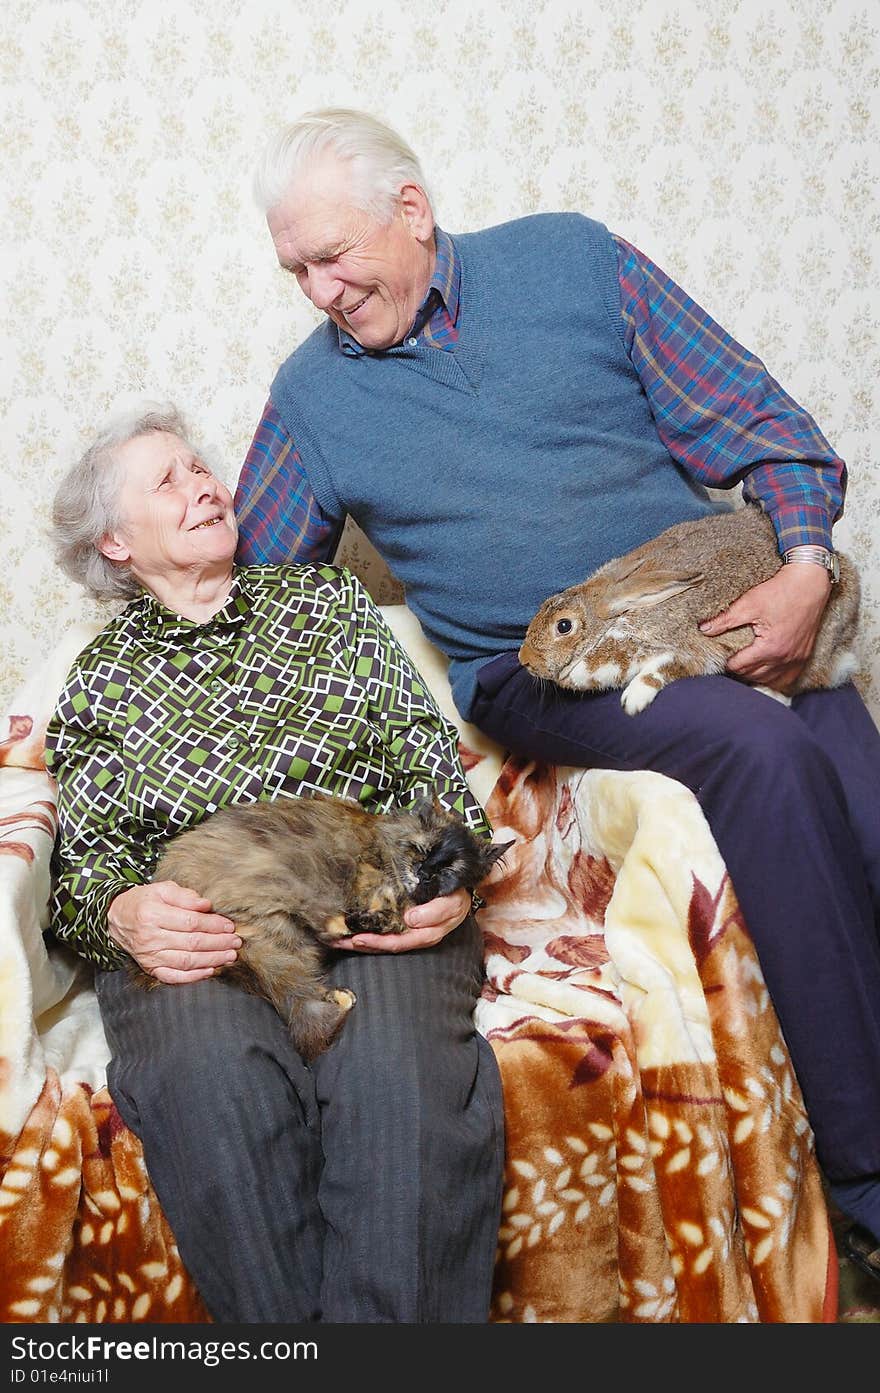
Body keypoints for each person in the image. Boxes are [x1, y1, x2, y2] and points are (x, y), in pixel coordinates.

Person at [233, 106, 880, 1287]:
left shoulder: (572, 262)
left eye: (335, 257)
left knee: (843, 745)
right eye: (296, 271)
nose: (320, 291)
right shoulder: (311, 400)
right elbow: (255, 608)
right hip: (538, 666)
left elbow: (759, 421)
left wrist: (799, 565)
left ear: (412, 213)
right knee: (756, 746)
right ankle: (871, 1183)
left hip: (692, 599)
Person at [44, 401, 505, 1324]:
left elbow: (428, 763)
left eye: (201, 467)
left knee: (399, 1089)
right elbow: (85, 866)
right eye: (166, 479)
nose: (205, 484)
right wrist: (126, 913)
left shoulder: (325, 605)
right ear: (117, 543)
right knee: (211, 1088)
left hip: (376, 897)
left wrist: (455, 882)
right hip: (213, 930)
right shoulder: (102, 676)